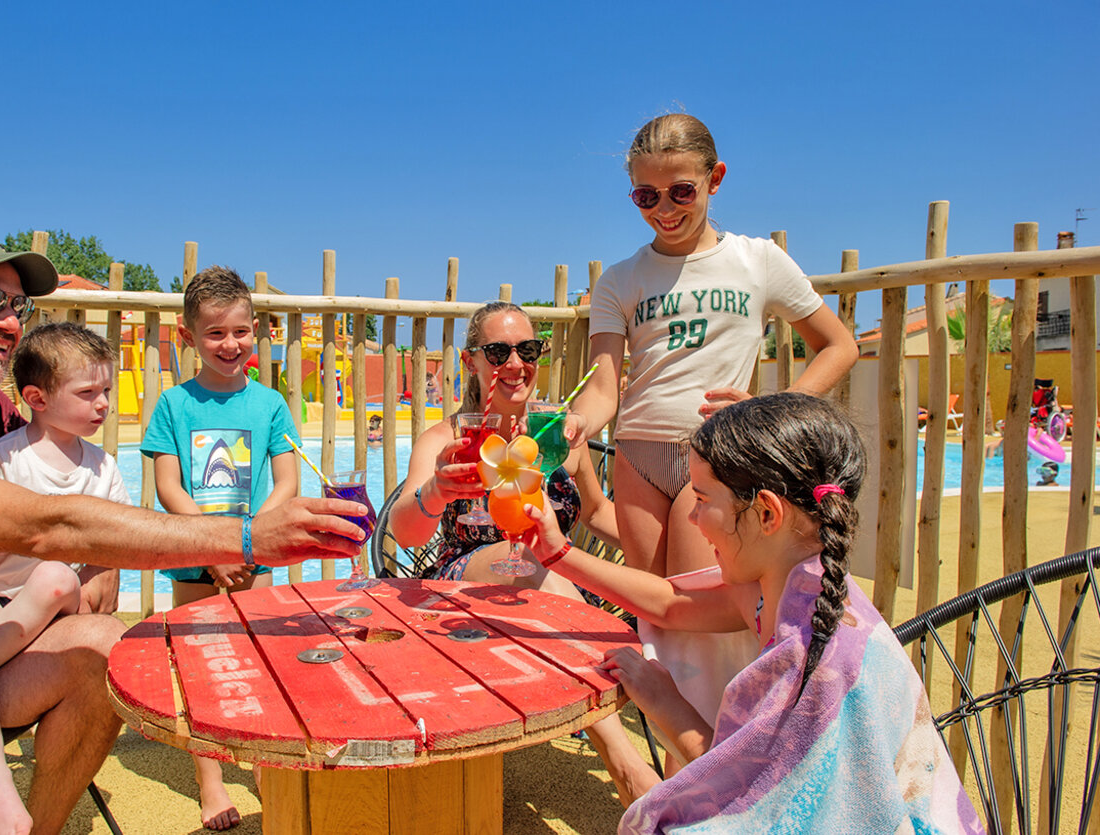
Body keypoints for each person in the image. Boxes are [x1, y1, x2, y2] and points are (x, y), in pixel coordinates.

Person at [0, 232, 365, 834]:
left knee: (109, 646)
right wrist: (246, 538)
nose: (7, 321)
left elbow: (62, 478)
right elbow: (45, 523)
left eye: (16, 305)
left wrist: (101, 566)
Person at [522, 393, 982, 832]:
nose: (691, 518)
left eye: (702, 500)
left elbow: (746, 795)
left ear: (766, 514)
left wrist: (664, 700)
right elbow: (671, 603)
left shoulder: (804, 662)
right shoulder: (796, 586)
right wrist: (557, 552)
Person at [565, 112, 859, 736]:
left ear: (714, 178)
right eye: (646, 196)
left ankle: (719, 758)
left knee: (702, 625)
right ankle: (680, 763)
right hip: (638, 457)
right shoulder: (619, 280)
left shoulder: (758, 261)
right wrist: (575, 424)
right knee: (657, 626)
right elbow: (604, 388)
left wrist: (768, 414)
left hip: (716, 460)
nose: (664, 209)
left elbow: (838, 346)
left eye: (681, 191)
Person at [386, 300, 660, 806]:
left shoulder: (558, 432)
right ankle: (627, 766)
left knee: (550, 573)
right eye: (498, 352)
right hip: (462, 588)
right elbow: (405, 533)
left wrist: (661, 559)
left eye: (528, 350)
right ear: (471, 361)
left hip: (556, 583)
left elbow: (597, 513)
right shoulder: (448, 439)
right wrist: (437, 491)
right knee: (536, 565)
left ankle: (676, 760)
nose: (515, 364)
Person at [0, 321, 129, 835]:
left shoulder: (103, 467)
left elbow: (115, 543)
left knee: (54, 578)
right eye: (88, 393)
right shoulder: (6, 456)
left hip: (60, 605)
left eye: (106, 391)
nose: (103, 404)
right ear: (37, 398)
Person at [140, 265, 297, 831]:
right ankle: (210, 780)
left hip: (255, 560)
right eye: (214, 333)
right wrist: (212, 546)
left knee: (262, 666)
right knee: (200, 667)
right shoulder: (173, 405)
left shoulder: (270, 404)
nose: (230, 344)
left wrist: (246, 542)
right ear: (188, 336)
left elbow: (286, 483)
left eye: (239, 331)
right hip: (193, 561)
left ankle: (261, 761)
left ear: (257, 331)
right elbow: (169, 487)